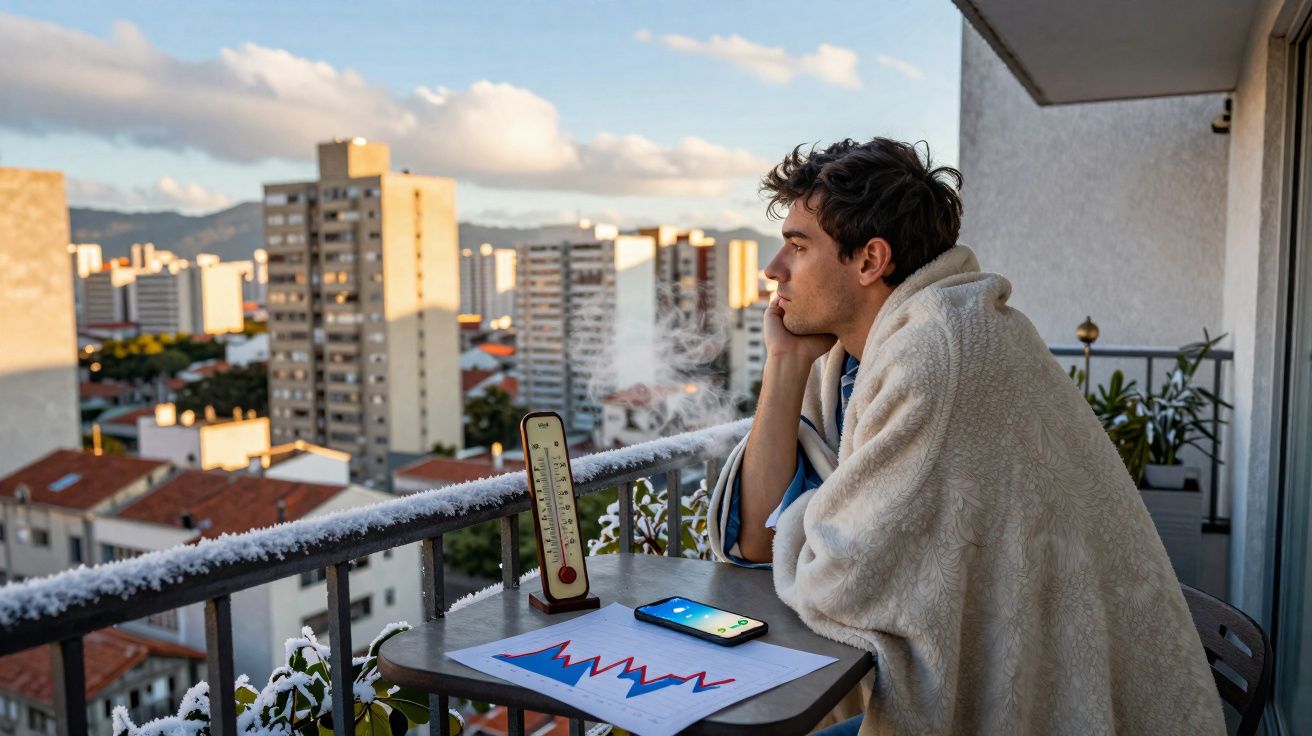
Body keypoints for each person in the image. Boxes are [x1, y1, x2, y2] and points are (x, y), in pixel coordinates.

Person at [707, 137, 1225, 735]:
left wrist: (803, 528)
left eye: (798, 246)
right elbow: (753, 539)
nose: (774, 269)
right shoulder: (852, 361)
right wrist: (786, 363)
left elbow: (843, 584)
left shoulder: (938, 352)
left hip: (1056, 705)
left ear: (871, 260)